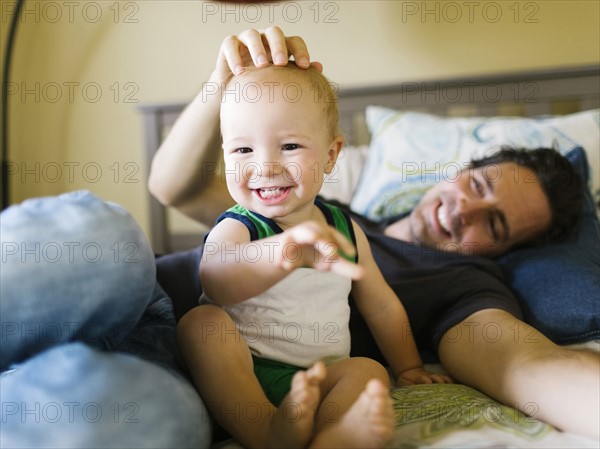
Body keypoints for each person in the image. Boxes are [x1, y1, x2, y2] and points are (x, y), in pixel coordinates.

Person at [148, 26, 600, 441]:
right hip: (155, 296)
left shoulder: (463, 284)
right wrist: (223, 79)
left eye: (494, 224)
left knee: (368, 372)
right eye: (476, 186)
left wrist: (407, 367)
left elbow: (527, 365)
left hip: (219, 369)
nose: (465, 211)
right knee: (186, 312)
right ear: (454, 173)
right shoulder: (291, 205)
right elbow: (172, 189)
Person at [176, 62, 452, 449]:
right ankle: (267, 431)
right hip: (244, 375)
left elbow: (381, 305)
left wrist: (408, 367)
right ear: (226, 154)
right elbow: (216, 282)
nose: (266, 166)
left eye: (289, 146)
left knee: (369, 370)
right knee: (201, 324)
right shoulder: (240, 225)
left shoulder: (343, 228)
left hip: (322, 377)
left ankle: (334, 434)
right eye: (243, 149)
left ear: (331, 154)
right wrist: (287, 251)